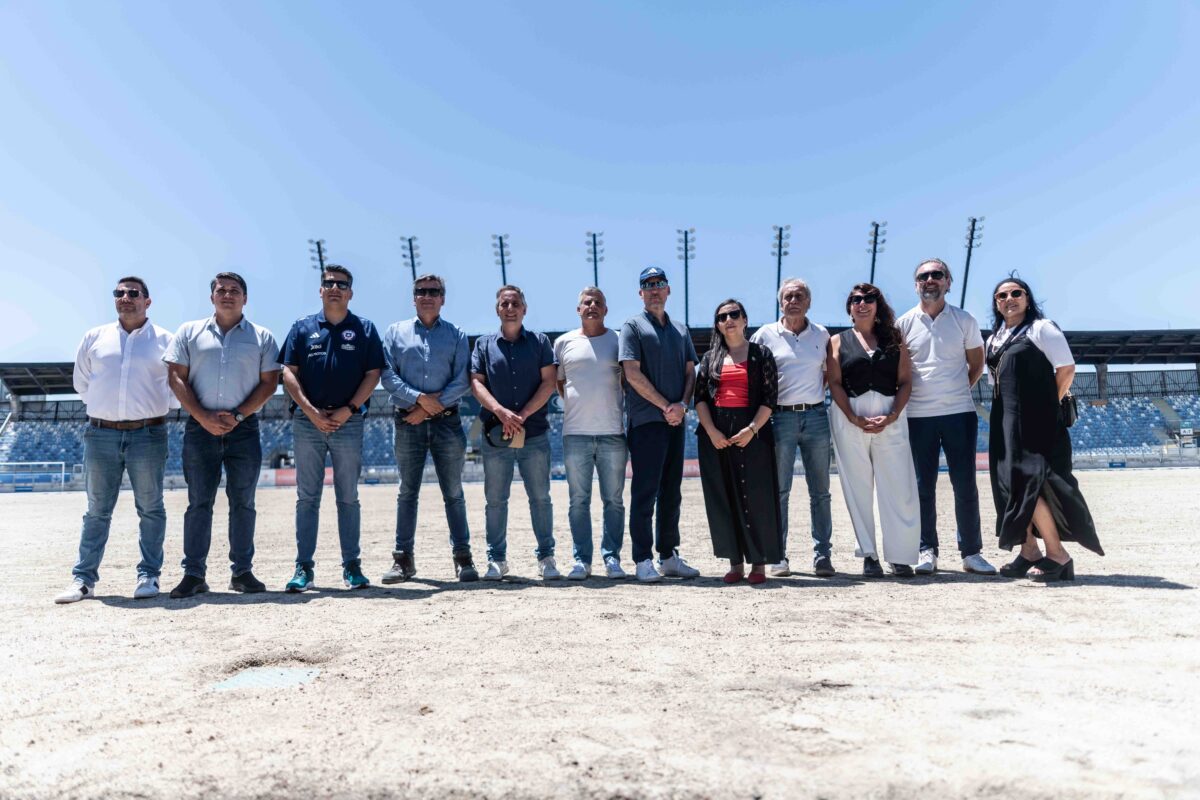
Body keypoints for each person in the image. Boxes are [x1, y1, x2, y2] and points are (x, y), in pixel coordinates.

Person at [55, 277, 175, 604]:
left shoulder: (166, 340)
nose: (125, 298)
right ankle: (83, 580)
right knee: (96, 510)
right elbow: (83, 384)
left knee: (151, 508)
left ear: (147, 301)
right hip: (100, 434)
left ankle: (149, 575)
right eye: (119, 293)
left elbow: (176, 390)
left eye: (133, 293)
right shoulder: (94, 337)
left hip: (148, 434)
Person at [164, 272, 280, 598]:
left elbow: (270, 383)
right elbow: (176, 377)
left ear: (245, 298)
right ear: (211, 297)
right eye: (221, 290)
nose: (227, 295)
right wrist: (202, 416)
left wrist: (239, 415)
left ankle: (242, 573)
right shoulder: (189, 331)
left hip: (244, 430)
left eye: (234, 291)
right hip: (199, 429)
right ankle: (193, 574)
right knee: (198, 503)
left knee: (243, 502)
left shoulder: (262, 337)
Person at [986, 276, 1101, 580]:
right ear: (996, 303)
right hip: (1003, 419)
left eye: (1016, 293)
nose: (1009, 299)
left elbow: (1066, 369)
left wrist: (1049, 407)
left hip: (1035, 419)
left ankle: (1058, 556)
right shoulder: (994, 337)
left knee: (1028, 483)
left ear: (1027, 297)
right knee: (1007, 485)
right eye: (1001, 296)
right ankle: (1029, 551)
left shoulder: (1041, 328)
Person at [277, 265, 384, 592]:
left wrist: (348, 409)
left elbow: (373, 373)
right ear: (320, 291)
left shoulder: (364, 328)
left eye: (342, 284)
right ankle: (304, 568)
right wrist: (310, 411)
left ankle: (352, 566)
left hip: (348, 423)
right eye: (329, 283)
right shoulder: (302, 327)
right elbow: (288, 372)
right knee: (307, 498)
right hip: (307, 424)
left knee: (348, 497)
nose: (335, 288)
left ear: (350, 292)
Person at [897, 259, 997, 576]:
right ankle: (927, 550)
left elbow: (977, 364)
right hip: (917, 416)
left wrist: (955, 391)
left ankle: (971, 552)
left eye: (936, 275)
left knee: (965, 485)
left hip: (959, 412)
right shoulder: (903, 324)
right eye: (922, 276)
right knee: (921, 487)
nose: (929, 280)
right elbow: (900, 371)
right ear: (915, 285)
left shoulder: (964, 321)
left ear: (948, 282)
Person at [380, 274, 478, 583]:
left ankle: (463, 559)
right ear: (413, 297)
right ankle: (402, 560)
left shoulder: (457, 335)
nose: (427, 295)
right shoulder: (395, 333)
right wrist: (419, 401)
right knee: (407, 492)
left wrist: (427, 408)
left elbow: (462, 379)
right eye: (421, 291)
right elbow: (387, 376)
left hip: (447, 421)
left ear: (443, 298)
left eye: (433, 291)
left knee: (453, 493)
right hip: (407, 420)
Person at [827, 283, 920, 578]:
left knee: (898, 486)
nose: (862, 303)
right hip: (849, 415)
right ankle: (869, 554)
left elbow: (905, 381)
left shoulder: (894, 339)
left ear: (877, 305)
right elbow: (835, 383)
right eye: (855, 299)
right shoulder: (837, 341)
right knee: (858, 488)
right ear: (849, 307)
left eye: (868, 299)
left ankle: (901, 556)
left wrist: (892, 415)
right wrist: (853, 417)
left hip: (890, 415)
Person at [470, 285, 559, 581]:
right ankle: (497, 559)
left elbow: (549, 383)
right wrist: (501, 412)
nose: (510, 308)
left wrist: (522, 415)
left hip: (532, 433)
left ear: (524, 309)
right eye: (505, 303)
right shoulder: (484, 345)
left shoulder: (540, 342)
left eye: (515, 303)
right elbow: (477, 384)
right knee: (495, 500)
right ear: (497, 309)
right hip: (497, 434)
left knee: (540, 498)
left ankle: (546, 557)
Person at [618, 267, 701, 582]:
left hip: (675, 420)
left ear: (668, 291)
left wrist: (681, 405)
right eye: (648, 285)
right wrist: (666, 405)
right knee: (645, 492)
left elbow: (691, 372)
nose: (654, 290)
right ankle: (642, 558)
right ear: (641, 293)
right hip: (647, 421)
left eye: (660, 284)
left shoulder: (680, 330)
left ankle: (668, 555)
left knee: (672, 493)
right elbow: (632, 373)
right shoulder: (632, 327)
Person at [751, 278, 834, 578]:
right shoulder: (764, 335)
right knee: (780, 491)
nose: (793, 301)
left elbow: (826, 375)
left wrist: (809, 398)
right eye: (788, 296)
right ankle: (778, 555)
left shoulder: (821, 335)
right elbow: (755, 376)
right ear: (780, 302)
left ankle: (822, 556)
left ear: (809, 302)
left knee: (821, 492)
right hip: (780, 418)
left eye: (799, 296)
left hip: (815, 416)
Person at [695, 299, 782, 584]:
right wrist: (711, 432)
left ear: (744, 319)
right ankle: (735, 563)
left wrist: (752, 429)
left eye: (734, 314)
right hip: (717, 432)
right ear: (717, 325)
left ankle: (758, 564)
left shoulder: (761, 354)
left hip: (753, 430)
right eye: (722, 317)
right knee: (725, 496)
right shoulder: (710, 358)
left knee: (758, 497)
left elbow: (770, 398)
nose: (728, 320)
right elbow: (700, 399)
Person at [554, 287, 628, 580]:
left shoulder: (619, 340)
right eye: (587, 302)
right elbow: (561, 385)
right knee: (578, 501)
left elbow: (628, 378)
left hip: (612, 433)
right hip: (576, 434)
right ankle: (581, 561)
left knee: (614, 501)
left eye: (598, 302)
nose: (592, 306)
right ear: (578, 309)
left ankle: (612, 559)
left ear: (606, 310)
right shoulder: (563, 343)